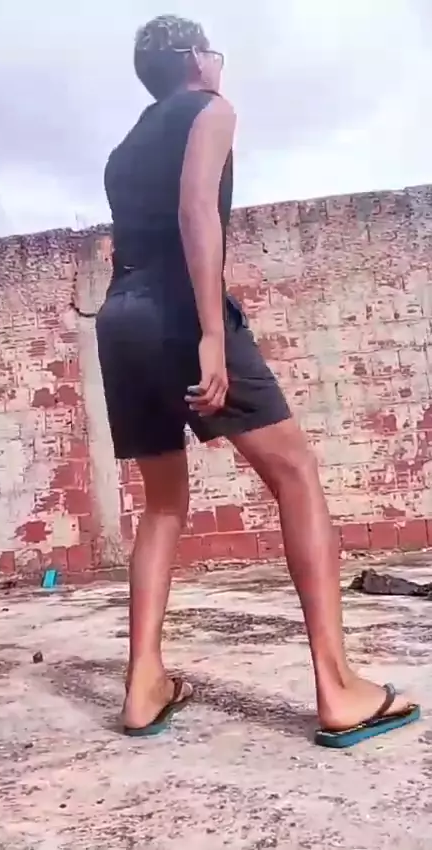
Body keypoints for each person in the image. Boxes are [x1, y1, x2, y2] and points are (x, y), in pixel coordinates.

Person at [96, 14, 419, 746]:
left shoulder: (122, 150)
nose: (220, 63)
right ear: (193, 59)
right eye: (213, 52)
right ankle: (338, 688)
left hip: (120, 318)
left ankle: (143, 684)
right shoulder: (210, 108)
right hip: (178, 309)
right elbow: (195, 211)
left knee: (162, 504)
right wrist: (212, 333)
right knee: (296, 474)